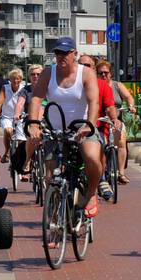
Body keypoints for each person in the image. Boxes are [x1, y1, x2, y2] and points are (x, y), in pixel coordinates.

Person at [26, 37, 104, 218]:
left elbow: (94, 102)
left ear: (75, 54)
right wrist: (34, 124)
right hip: (55, 131)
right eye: (58, 53)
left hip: (82, 128)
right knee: (50, 177)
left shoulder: (86, 73)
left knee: (92, 157)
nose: (61, 57)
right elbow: (36, 98)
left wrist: (89, 125)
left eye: (66, 53)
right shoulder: (48, 73)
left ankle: (91, 194)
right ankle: (54, 222)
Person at [77, 54, 115, 201]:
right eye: (81, 65)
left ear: (93, 69)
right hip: (72, 127)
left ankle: (101, 178)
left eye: (88, 66)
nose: (84, 68)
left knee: (101, 146)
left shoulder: (102, 85)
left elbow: (109, 105)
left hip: (96, 127)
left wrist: (115, 119)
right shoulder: (69, 83)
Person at [96, 59, 133, 184]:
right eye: (100, 73)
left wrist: (131, 105)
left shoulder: (117, 85)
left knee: (121, 142)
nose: (103, 75)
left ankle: (121, 173)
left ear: (111, 73)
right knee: (100, 145)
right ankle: (102, 171)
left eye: (106, 73)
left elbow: (128, 96)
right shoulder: (94, 85)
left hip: (115, 120)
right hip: (100, 120)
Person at [0, 68, 24, 164]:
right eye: (13, 78)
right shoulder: (5, 88)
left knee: (21, 139)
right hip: (7, 116)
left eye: (18, 78)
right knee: (8, 130)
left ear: (21, 79)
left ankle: (19, 156)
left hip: (20, 117)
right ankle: (7, 152)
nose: (15, 80)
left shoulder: (24, 88)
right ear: (10, 79)